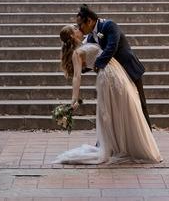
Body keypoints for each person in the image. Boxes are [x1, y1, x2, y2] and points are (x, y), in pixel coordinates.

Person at [54, 24, 161, 165]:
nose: (78, 27)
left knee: (126, 108)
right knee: (114, 112)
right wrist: (74, 99)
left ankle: (126, 146)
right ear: (73, 36)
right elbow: (77, 77)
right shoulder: (76, 53)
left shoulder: (88, 40)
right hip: (108, 78)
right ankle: (118, 147)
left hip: (117, 73)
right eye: (74, 28)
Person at [77, 4, 152, 129]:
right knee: (117, 108)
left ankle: (146, 135)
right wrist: (79, 68)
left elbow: (112, 47)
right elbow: (92, 55)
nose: (79, 28)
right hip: (115, 75)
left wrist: (97, 64)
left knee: (139, 103)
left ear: (89, 21)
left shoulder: (109, 25)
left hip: (129, 69)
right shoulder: (91, 37)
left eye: (80, 25)